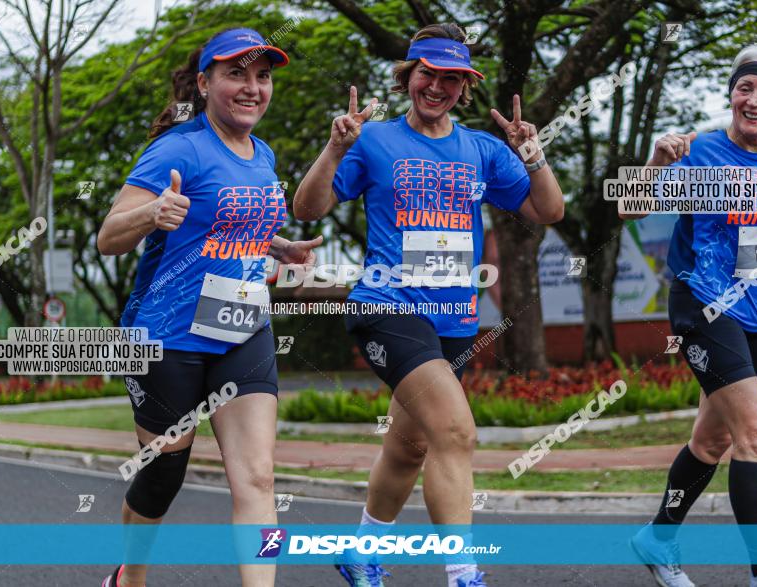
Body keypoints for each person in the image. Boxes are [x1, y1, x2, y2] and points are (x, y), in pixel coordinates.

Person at [294, 23, 563, 587]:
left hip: (455, 319)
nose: (436, 86)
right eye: (426, 74)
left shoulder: (482, 150)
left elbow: (548, 210)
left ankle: (361, 551)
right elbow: (308, 207)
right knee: (457, 433)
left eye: (451, 78)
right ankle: (464, 573)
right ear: (407, 77)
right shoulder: (373, 141)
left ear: (465, 87)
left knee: (411, 444)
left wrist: (533, 155)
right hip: (387, 306)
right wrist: (335, 146)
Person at [96, 28, 321, 587]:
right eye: (236, 75)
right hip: (168, 336)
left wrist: (277, 246)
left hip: (242, 328)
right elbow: (107, 237)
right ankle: (130, 576)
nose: (252, 88)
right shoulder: (177, 148)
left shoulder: (262, 153)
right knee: (162, 477)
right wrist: (152, 214)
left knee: (259, 479)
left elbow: (228, 222)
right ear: (204, 83)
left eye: (262, 76)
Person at [623, 44, 757, 587]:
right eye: (745, 88)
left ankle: (656, 538)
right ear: (732, 94)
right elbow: (630, 207)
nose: (754, 100)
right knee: (755, 433)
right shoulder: (699, 151)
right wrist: (659, 162)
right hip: (702, 305)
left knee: (712, 442)